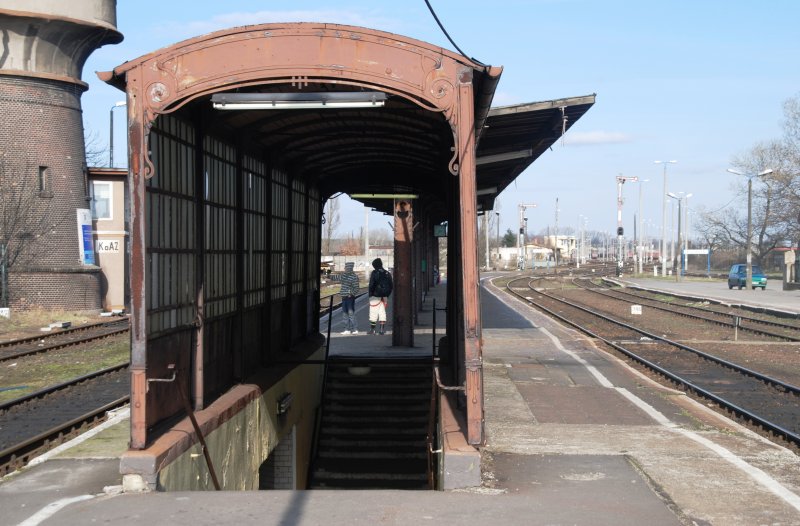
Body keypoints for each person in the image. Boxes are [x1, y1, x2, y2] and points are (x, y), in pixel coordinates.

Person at [367, 258, 392, 335]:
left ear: (374, 265)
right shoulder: (387, 273)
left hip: (375, 296)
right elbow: (391, 285)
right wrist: (387, 295)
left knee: (373, 313)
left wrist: (370, 294)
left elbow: (371, 285)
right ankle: (381, 330)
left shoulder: (374, 273)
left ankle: (372, 330)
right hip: (384, 296)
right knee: (382, 313)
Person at [336, 262, 360, 334]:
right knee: (345, 313)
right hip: (344, 297)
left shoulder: (354, 277)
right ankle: (347, 329)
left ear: (349, 268)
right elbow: (336, 277)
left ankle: (355, 329)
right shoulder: (344, 275)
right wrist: (328, 275)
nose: (344, 268)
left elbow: (356, 288)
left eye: (345, 267)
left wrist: (351, 294)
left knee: (350, 313)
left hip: (350, 298)